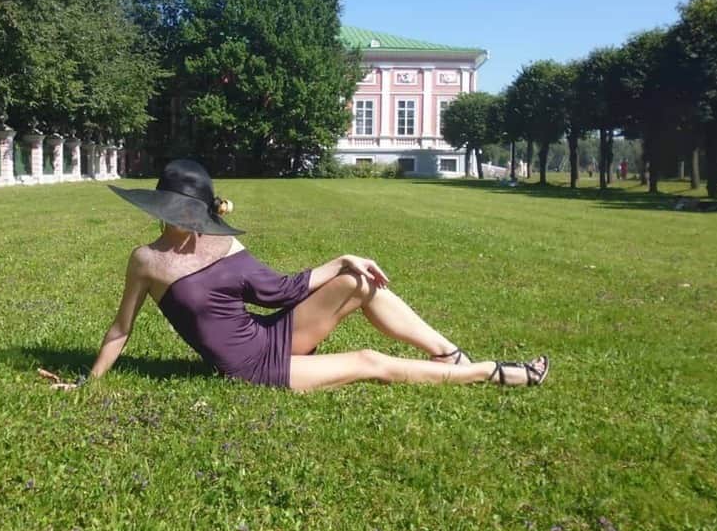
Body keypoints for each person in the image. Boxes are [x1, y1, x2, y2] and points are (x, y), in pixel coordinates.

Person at [91, 159, 549, 392]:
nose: (183, 222)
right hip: (251, 367)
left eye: (190, 213)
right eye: (175, 212)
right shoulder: (146, 260)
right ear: (159, 208)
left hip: (270, 335)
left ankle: (450, 356)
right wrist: (89, 382)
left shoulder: (225, 244)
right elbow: (120, 329)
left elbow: (278, 292)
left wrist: (343, 261)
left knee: (358, 282)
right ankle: (490, 373)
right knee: (369, 360)